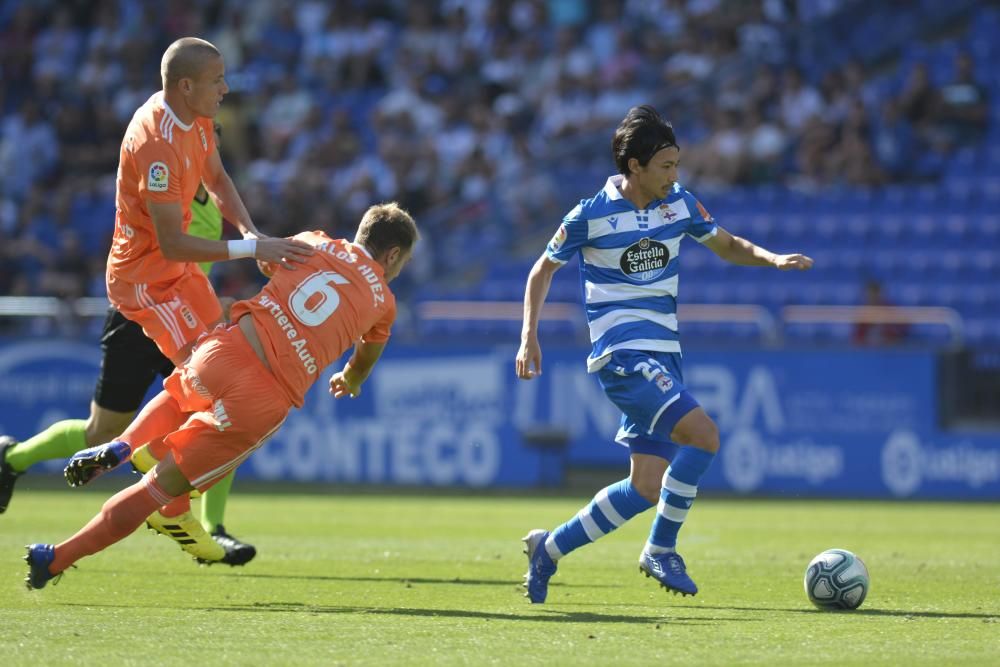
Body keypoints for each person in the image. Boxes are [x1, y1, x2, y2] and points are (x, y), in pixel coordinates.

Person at [3, 37, 313, 565]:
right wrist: (250, 247)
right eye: (218, 80)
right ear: (186, 85)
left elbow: (216, 177)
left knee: (233, 380)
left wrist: (251, 231)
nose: (227, 88)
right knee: (111, 426)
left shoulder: (197, 123)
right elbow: (170, 242)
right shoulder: (155, 142)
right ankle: (21, 459)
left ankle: (205, 521)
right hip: (145, 287)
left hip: (183, 281)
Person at [24, 202, 418, 589]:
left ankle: (124, 446)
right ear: (393, 254)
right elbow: (366, 355)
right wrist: (351, 378)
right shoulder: (383, 301)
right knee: (154, 492)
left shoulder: (312, 241)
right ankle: (55, 558)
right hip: (265, 394)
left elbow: (268, 261)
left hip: (226, 349)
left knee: (177, 400)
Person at [515, 105, 813, 602]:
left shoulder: (680, 205)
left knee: (645, 488)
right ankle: (661, 547)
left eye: (677, 165)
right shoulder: (590, 214)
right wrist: (530, 335)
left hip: (665, 355)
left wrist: (772, 258)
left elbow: (728, 244)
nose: (675, 176)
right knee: (705, 434)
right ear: (635, 166)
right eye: (666, 166)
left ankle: (549, 548)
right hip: (623, 355)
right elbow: (541, 271)